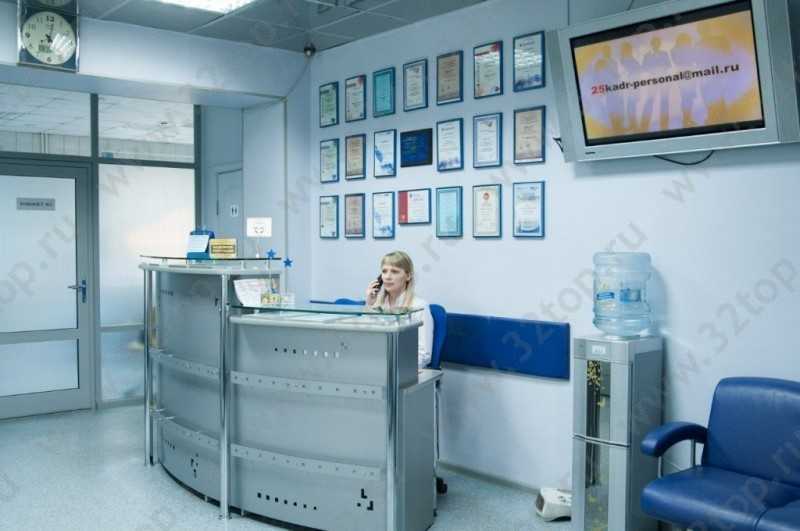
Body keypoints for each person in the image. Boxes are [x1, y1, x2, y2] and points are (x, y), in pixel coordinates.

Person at [365, 251, 433, 369]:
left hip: (405, 369)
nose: (387, 277)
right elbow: (365, 340)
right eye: (384, 271)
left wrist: (394, 367)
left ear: (408, 276)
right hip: (376, 366)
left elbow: (424, 355)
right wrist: (370, 304)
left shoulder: (419, 306)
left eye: (394, 271)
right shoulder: (377, 304)